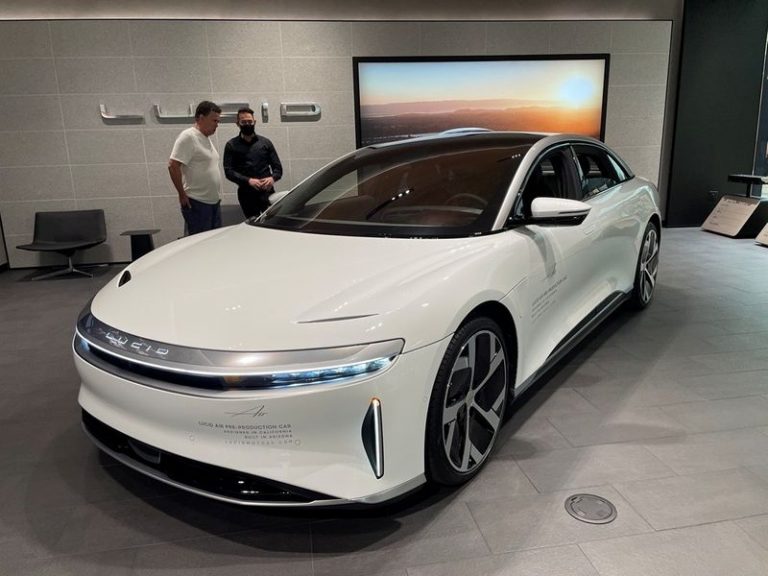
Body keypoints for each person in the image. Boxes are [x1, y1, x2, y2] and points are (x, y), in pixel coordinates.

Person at [168, 101, 223, 235]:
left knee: (214, 242)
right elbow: (173, 165)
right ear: (201, 118)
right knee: (202, 242)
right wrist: (182, 194)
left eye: (218, 121)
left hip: (213, 202)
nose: (217, 124)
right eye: (214, 120)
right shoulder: (189, 136)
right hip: (198, 203)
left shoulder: (205, 139)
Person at [223, 107, 283, 218]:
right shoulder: (231, 145)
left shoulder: (265, 143)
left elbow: (278, 169)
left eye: (250, 121)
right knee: (252, 224)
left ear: (254, 122)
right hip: (246, 195)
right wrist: (248, 181)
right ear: (238, 124)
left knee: (271, 222)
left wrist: (272, 179)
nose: (247, 124)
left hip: (267, 192)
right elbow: (229, 172)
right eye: (243, 122)